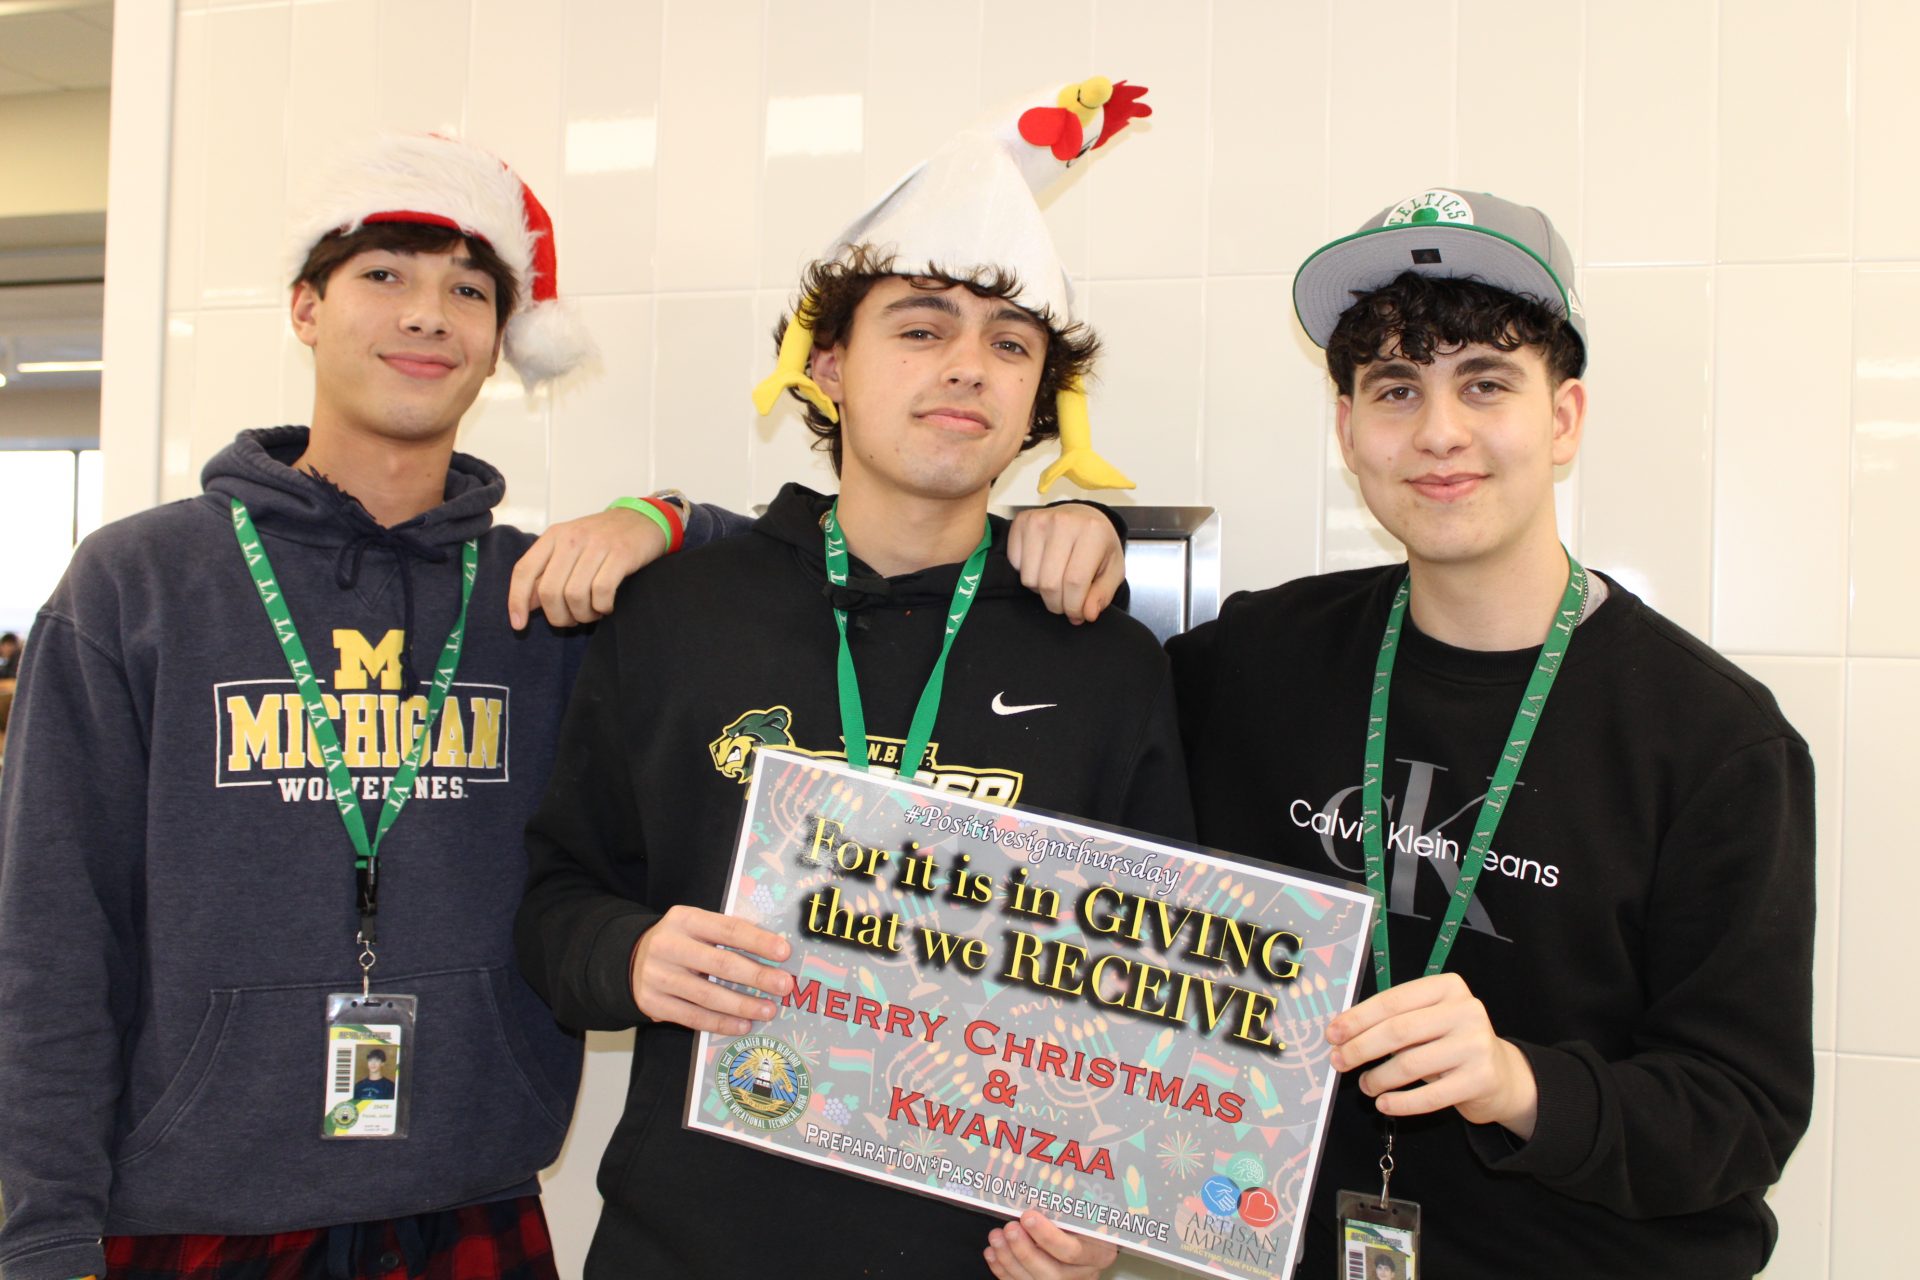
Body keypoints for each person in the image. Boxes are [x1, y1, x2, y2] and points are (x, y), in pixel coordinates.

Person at [0, 133, 1122, 1280]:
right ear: (303, 306)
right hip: (194, 1204)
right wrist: (43, 1229)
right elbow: (49, 928)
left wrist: (662, 516)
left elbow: (802, 558)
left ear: (502, 336)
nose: (427, 314)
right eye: (383, 274)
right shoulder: (141, 583)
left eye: (468, 290)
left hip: (472, 1188)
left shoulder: (542, 591)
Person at [516, 75, 1188, 1280]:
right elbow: (555, 899)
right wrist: (630, 954)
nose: (968, 366)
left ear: (1039, 397)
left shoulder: (1102, 656)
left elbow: (1159, 994)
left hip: (981, 1256)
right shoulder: (676, 613)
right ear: (828, 365)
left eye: (1010, 342)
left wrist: (1114, 1207)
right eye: (921, 329)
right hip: (687, 1247)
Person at [1168, 189, 1814, 1278]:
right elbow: (1073, 754)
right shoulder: (1254, 660)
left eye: (1485, 382)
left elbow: (1740, 1115)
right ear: (1348, 432)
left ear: (1563, 419)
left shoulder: (1713, 738)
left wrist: (1518, 1082)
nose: (1439, 432)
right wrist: (1061, 542)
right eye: (1396, 388)